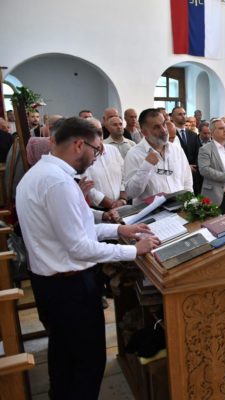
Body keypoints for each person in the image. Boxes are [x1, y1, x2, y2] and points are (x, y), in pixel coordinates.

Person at [16, 117, 159, 400]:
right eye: (96, 150)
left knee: (64, 357)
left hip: (50, 283)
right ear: (79, 145)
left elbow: (77, 229)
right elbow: (79, 247)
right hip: (69, 288)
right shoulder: (58, 182)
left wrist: (119, 230)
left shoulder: (39, 174)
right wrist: (133, 250)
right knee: (88, 363)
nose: (96, 157)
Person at [124, 108, 193, 204]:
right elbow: (131, 193)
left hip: (179, 209)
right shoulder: (134, 154)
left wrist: (188, 204)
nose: (163, 130)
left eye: (164, 124)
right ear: (144, 132)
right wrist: (146, 166)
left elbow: (187, 182)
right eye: (156, 127)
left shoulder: (177, 150)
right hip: (152, 212)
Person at [172, 107, 201, 194]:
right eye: (180, 114)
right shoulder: (171, 134)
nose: (183, 116)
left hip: (194, 174)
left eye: (184, 114)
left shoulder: (193, 135)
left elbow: (198, 153)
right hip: (178, 174)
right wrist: (187, 167)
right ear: (173, 117)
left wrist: (195, 166)